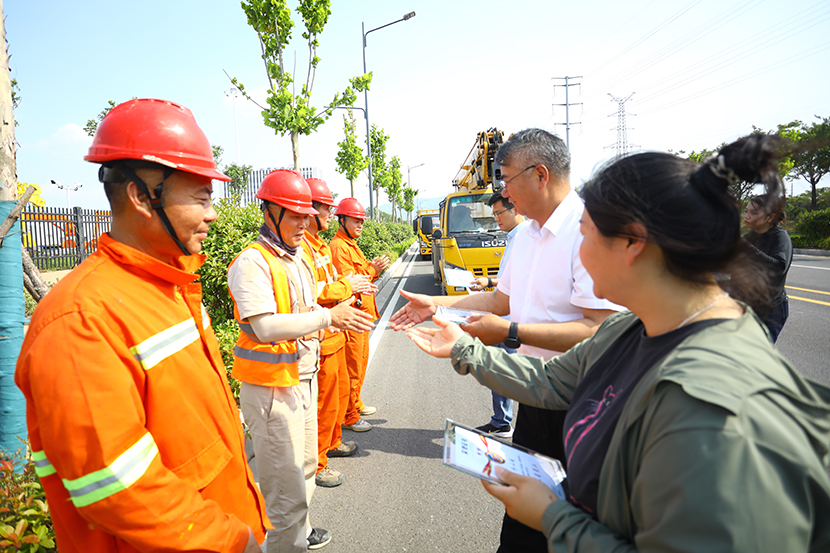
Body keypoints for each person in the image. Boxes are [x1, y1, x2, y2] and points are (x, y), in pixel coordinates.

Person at [407, 134, 830, 552]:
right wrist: (464, 349)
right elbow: (552, 381)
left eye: (587, 234)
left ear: (633, 242)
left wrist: (553, 517)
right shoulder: (630, 330)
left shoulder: (710, 408)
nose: (579, 251)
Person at [15, 98, 270, 552]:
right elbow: (117, 486)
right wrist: (233, 540)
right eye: (201, 197)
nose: (212, 213)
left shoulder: (171, 287)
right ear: (140, 196)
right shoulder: (80, 320)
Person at [391, 128, 621, 553]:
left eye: (507, 179)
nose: (503, 193)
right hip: (534, 391)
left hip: (582, 401)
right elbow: (500, 301)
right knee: (521, 521)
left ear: (540, 174)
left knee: (575, 518)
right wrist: (435, 305)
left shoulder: (588, 232)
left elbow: (599, 331)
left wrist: (511, 332)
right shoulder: (526, 235)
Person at [228, 170, 373, 552]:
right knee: (285, 490)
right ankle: (286, 542)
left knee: (306, 468)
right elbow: (264, 327)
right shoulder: (253, 262)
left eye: (307, 215)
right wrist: (329, 317)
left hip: (304, 377)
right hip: (273, 389)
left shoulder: (297, 258)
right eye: (295, 216)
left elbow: (308, 306)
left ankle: (300, 532)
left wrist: (335, 308)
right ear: (269, 213)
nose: (304, 223)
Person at [302, 178, 377, 488]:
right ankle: (318, 463)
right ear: (308, 209)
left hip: (336, 331)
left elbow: (332, 284)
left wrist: (351, 286)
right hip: (323, 333)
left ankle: (333, 442)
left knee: (337, 396)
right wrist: (348, 287)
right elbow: (315, 291)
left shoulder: (319, 245)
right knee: (323, 403)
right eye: (325, 208)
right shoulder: (305, 247)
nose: (329, 214)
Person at [468, 192, 528, 438]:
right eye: (494, 214)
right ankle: (501, 422)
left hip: (513, 321)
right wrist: (490, 281)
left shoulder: (525, 237)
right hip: (503, 318)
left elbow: (521, 281)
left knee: (511, 375)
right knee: (499, 372)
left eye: (499, 213)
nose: (496, 219)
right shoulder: (513, 237)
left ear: (515, 209)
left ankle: (515, 426)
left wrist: (490, 282)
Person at [329, 198, 389, 432]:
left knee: (360, 363)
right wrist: (372, 269)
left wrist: (373, 269)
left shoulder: (351, 245)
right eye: (356, 221)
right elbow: (349, 282)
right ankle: (349, 415)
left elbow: (361, 276)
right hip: (352, 316)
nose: (360, 225)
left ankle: (356, 403)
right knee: (352, 367)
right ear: (342, 220)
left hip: (361, 315)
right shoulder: (338, 247)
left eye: (362, 221)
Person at [743, 193, 793, 342]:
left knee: (755, 353)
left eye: (754, 212)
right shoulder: (748, 238)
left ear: (770, 217)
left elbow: (778, 269)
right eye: (746, 211)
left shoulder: (780, 238)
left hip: (770, 311)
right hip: (748, 306)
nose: (746, 215)